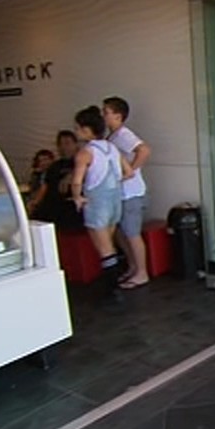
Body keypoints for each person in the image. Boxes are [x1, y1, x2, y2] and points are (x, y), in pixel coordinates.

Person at [71, 106, 133, 295]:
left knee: (104, 249)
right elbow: (129, 172)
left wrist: (77, 197)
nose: (76, 131)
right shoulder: (112, 147)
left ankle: (112, 289)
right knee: (109, 244)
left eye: (78, 128)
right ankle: (112, 284)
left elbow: (76, 181)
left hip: (97, 203)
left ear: (86, 130)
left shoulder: (85, 153)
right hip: (114, 201)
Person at [103, 96, 151, 289]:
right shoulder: (112, 137)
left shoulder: (124, 135)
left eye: (106, 112)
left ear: (118, 115)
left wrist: (129, 171)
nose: (103, 116)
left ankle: (142, 272)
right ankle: (133, 266)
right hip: (121, 194)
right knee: (122, 233)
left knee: (132, 234)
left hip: (131, 193)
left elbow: (144, 150)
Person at [30, 130, 84, 229]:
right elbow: (45, 186)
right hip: (53, 206)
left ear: (76, 144)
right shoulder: (54, 166)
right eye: (60, 144)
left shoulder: (82, 163)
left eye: (67, 143)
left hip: (72, 207)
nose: (64, 147)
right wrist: (35, 202)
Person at [25, 149, 55, 215]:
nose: (43, 163)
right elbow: (32, 187)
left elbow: (44, 188)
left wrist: (34, 202)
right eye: (40, 161)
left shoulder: (53, 173)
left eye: (45, 159)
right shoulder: (38, 174)